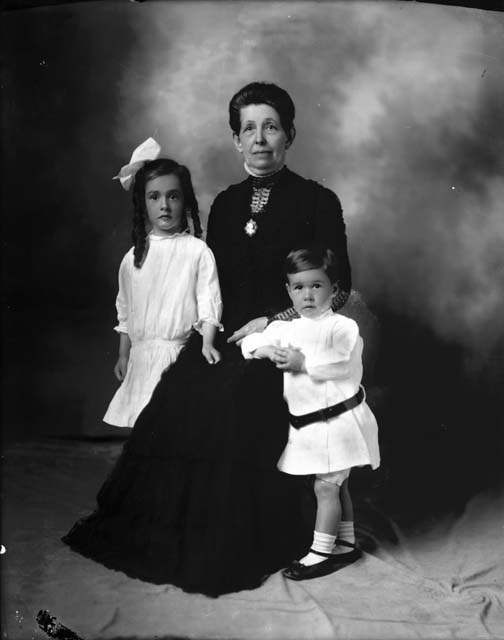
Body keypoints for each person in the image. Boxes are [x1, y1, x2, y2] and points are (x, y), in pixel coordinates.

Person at [63, 82, 352, 597]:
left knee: (234, 401)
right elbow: (211, 285)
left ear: (289, 134)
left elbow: (341, 287)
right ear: (236, 139)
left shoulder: (318, 200)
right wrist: (205, 333)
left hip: (289, 336)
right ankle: (173, 531)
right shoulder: (225, 204)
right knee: (180, 390)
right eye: (248, 129)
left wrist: (273, 321)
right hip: (228, 336)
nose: (259, 139)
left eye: (270, 127)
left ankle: (235, 538)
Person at [241, 247, 380, 581]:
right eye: (299, 287)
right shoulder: (286, 329)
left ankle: (319, 555)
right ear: (289, 291)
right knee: (337, 485)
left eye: (316, 286)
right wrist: (263, 348)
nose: (307, 295)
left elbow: (341, 363)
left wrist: (303, 363)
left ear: (334, 289)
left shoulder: (342, 327)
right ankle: (345, 544)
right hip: (310, 425)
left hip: (340, 421)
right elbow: (249, 343)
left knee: (326, 488)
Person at [103, 138, 223, 428]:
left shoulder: (196, 251)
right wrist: (123, 354)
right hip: (141, 357)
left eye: (173, 197)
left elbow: (209, 302)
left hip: (179, 356)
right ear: (143, 203)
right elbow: (126, 311)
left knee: (174, 426)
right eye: (154, 197)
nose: (164, 206)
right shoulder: (133, 258)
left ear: (185, 201)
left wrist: (208, 343)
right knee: (143, 427)